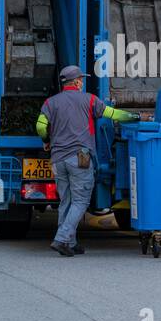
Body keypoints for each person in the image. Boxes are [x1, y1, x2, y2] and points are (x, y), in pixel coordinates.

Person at [36, 66, 140, 256]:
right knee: (81, 201)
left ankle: (71, 242)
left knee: (66, 201)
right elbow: (112, 114)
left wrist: (46, 141)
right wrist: (134, 116)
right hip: (80, 158)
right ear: (76, 82)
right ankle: (61, 238)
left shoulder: (50, 103)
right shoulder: (89, 100)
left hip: (58, 159)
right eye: (81, 80)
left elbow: (40, 126)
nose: (82, 82)